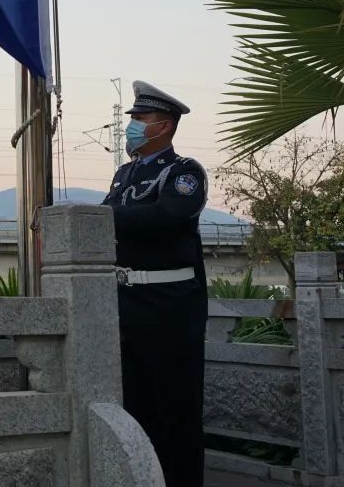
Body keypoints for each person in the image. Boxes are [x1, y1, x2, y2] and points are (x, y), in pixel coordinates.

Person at [101, 80, 208, 487]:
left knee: (175, 407)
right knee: (134, 402)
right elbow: (106, 220)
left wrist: (105, 219)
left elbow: (168, 216)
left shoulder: (184, 173)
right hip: (125, 302)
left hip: (170, 305)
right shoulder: (125, 173)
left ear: (163, 127)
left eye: (140, 120)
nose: (132, 127)